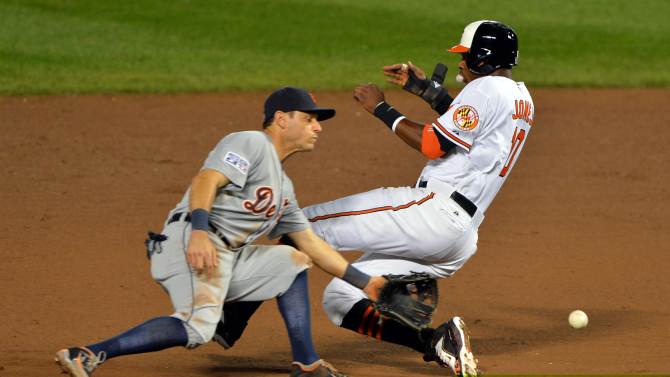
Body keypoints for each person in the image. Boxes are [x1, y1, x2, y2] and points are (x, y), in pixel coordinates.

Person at [54, 87, 386, 377]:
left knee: (293, 260)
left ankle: (307, 365)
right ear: (282, 119)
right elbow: (206, 180)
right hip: (192, 239)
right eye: (310, 119)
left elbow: (310, 241)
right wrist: (199, 232)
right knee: (197, 328)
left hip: (224, 255)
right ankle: (88, 354)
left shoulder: (284, 188)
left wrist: (364, 282)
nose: (318, 127)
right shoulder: (251, 142)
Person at [301, 20, 534, 377]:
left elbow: (432, 143)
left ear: (483, 59)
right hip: (458, 240)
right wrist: (424, 89)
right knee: (340, 297)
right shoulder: (520, 98)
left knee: (301, 225)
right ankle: (435, 342)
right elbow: (473, 127)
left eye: (466, 57)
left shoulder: (485, 89)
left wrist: (381, 107)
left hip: (432, 214)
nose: (460, 63)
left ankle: (229, 311)